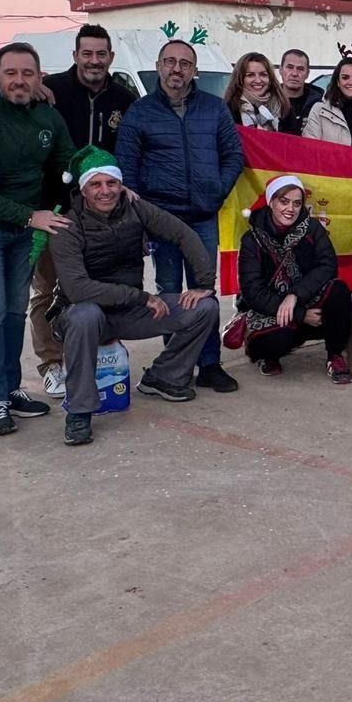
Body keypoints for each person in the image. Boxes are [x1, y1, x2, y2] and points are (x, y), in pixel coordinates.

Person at [48, 146, 220, 445]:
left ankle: (164, 377)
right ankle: (79, 410)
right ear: (83, 189)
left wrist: (204, 282)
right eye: (96, 184)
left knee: (204, 307)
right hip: (81, 315)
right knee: (86, 314)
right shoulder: (67, 225)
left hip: (127, 313)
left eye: (112, 183)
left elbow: (183, 233)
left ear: (121, 184)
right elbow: (78, 288)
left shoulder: (136, 208)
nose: (105, 191)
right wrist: (140, 297)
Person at [117, 38, 245, 393]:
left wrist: (216, 190)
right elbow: (127, 170)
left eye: (185, 64)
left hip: (203, 216)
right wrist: (142, 215)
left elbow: (233, 154)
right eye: (170, 62)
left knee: (204, 290)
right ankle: (175, 366)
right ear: (159, 66)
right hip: (161, 219)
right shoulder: (140, 112)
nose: (177, 69)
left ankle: (209, 364)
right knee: (170, 292)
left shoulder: (214, 109)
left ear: (194, 71)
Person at [0, 42, 72, 436]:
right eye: (11, 73)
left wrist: (96, 185)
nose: (20, 80)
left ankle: (10, 388)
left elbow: (66, 167)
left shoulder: (48, 118)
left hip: (27, 232)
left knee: (13, 312)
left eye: (28, 73)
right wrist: (30, 215)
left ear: (40, 78)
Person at [30, 24, 136, 398]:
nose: (94, 61)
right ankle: (52, 362)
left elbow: (131, 150)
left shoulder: (124, 98)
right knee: (49, 288)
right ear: (75, 55)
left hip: (105, 212)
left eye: (101, 54)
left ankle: (99, 354)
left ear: (110, 57)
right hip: (55, 208)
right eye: (87, 53)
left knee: (99, 283)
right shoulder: (51, 91)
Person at [237, 175, 352, 383]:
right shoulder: (252, 239)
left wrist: (295, 296)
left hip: (304, 299)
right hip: (273, 311)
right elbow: (252, 292)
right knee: (271, 343)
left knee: (339, 291)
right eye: (284, 201)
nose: (290, 209)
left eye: (297, 203)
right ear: (271, 201)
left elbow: (328, 267)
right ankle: (270, 357)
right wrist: (301, 315)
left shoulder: (312, 228)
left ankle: (335, 356)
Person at [223, 51, 290, 130]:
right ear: (240, 79)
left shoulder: (284, 107)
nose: (258, 80)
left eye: (263, 74)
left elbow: (294, 140)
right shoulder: (228, 109)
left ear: (270, 78)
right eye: (250, 75)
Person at [277, 49, 323, 135]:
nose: (294, 73)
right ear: (280, 70)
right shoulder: (266, 101)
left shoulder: (320, 106)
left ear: (307, 73)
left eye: (300, 69)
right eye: (289, 67)